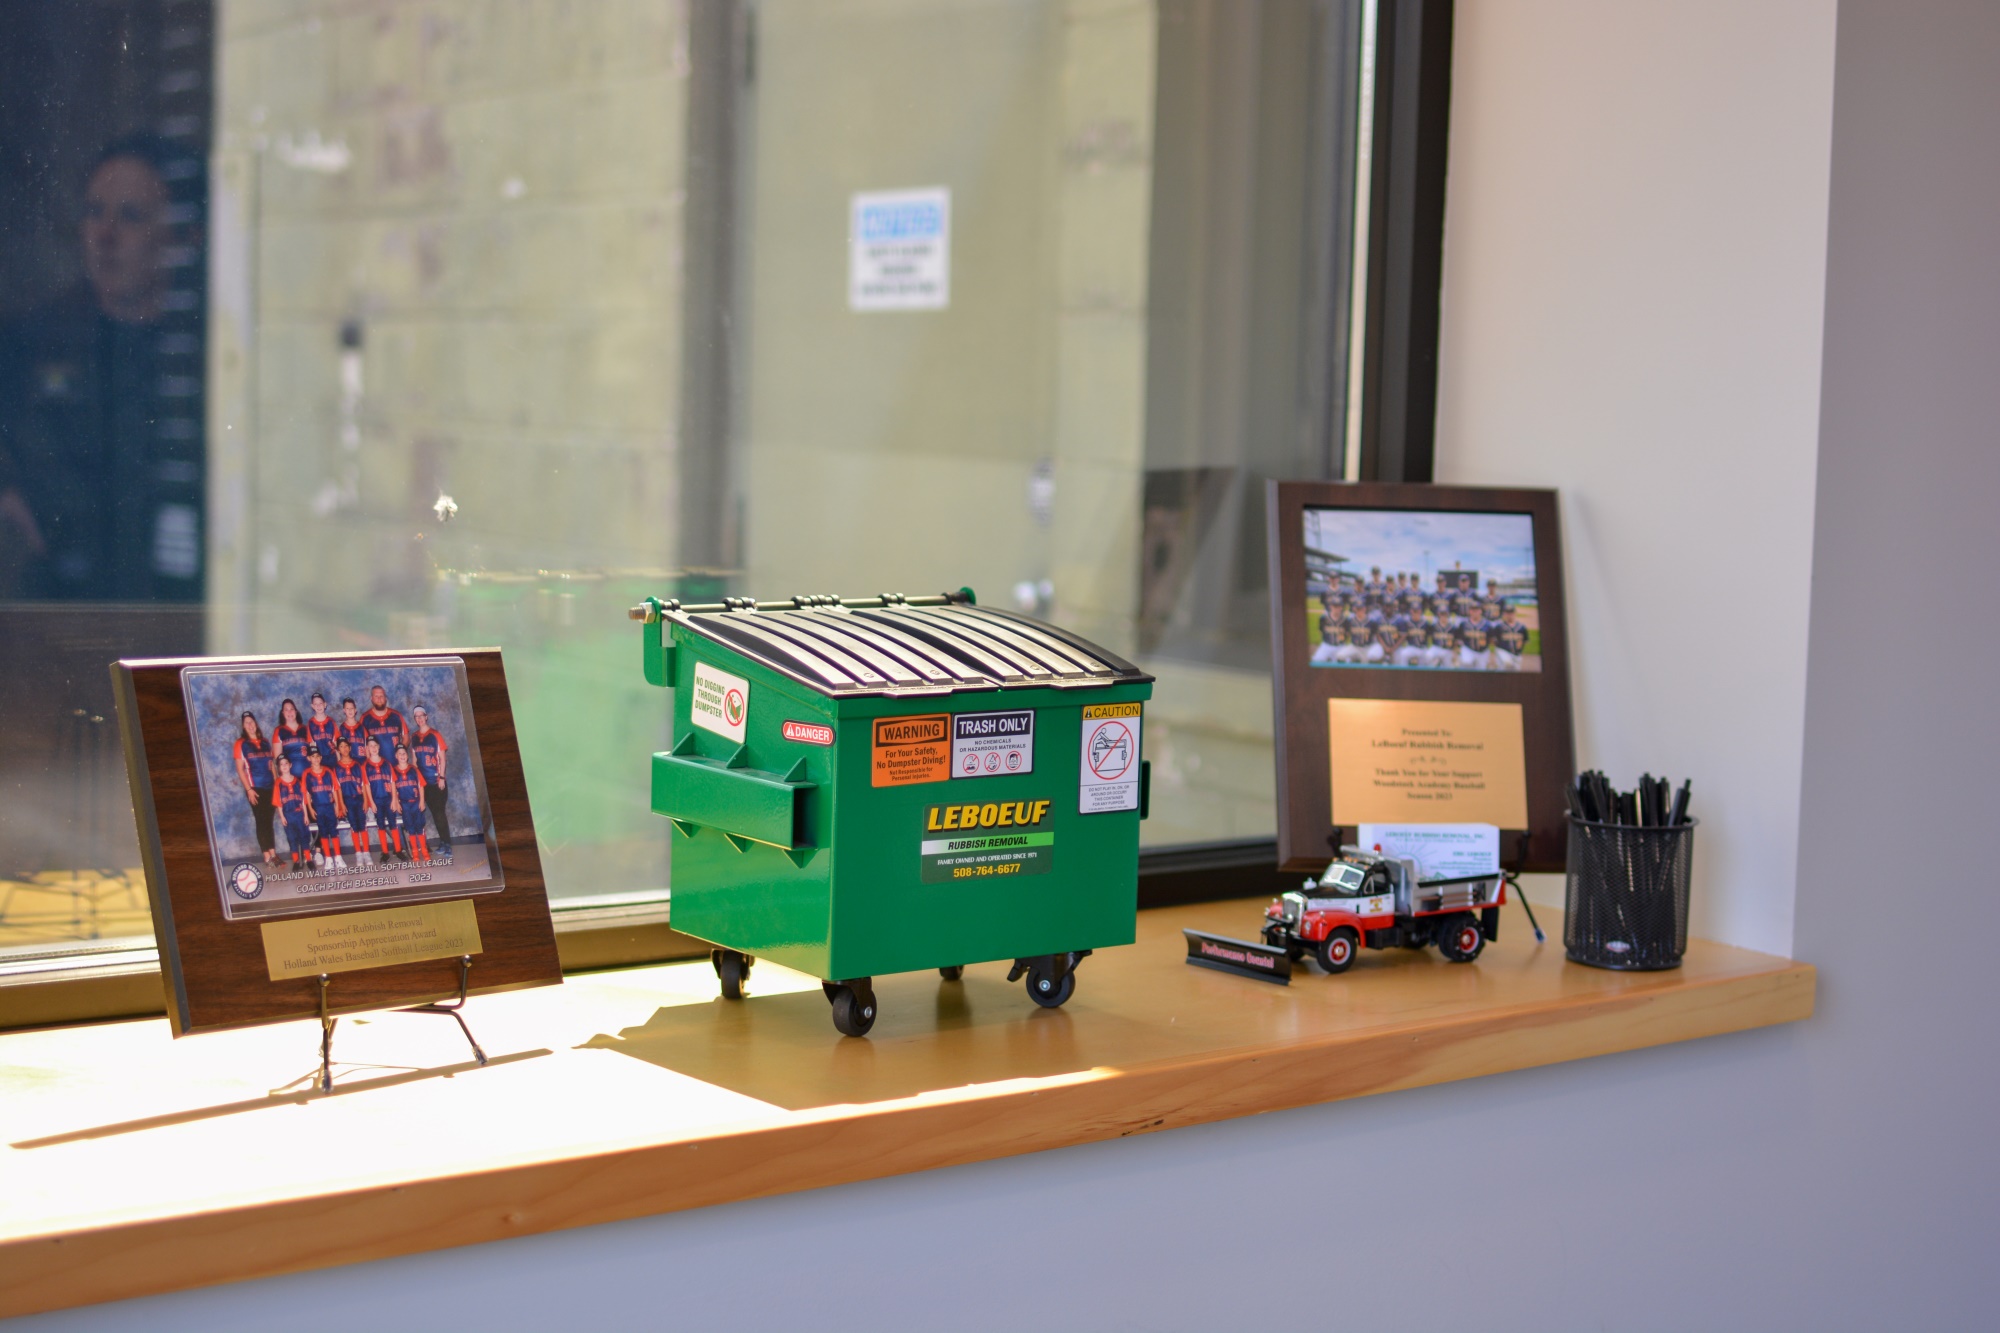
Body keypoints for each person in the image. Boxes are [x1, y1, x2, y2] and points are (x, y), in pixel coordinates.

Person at [0, 134, 203, 600]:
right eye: (94, 212)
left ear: (182, 236)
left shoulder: (200, 352)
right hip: (57, 609)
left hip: (173, 611)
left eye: (130, 216)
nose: (104, 235)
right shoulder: (34, 341)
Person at [231, 711, 278, 867]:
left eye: (252, 721)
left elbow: (272, 767)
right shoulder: (241, 744)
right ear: (243, 726)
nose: (250, 725)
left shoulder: (265, 742)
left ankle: (274, 854)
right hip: (255, 788)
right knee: (261, 820)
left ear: (256, 724)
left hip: (270, 787)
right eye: (246, 723)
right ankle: (266, 855)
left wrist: (277, 784)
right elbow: (240, 769)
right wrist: (249, 789)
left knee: (269, 821)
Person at [408, 705, 452, 852]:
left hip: (435, 781)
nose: (419, 719)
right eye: (417, 716)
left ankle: (447, 844)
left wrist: (441, 777)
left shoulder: (435, 734)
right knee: (428, 814)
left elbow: (442, 758)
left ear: (426, 716)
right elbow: (414, 762)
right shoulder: (414, 737)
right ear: (415, 719)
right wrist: (415, 782)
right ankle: (434, 843)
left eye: (422, 716)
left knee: (439, 814)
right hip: (422, 784)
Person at [300, 745, 348, 871]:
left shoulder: (328, 772)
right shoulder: (307, 774)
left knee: (334, 832)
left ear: (320, 758)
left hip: (329, 806)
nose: (315, 759)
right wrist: (310, 809)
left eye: (317, 756)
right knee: (323, 833)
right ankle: (328, 858)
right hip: (318, 807)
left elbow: (335, 789)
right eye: (312, 757)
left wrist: (337, 806)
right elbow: (306, 793)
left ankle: (338, 856)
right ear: (309, 758)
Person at [332, 737, 375, 864]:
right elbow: (338, 788)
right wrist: (341, 804)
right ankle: (358, 853)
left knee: (363, 825)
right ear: (338, 750)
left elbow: (364, 784)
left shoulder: (357, 765)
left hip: (359, 799)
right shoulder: (337, 768)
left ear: (350, 748)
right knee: (354, 827)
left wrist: (366, 801)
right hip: (347, 800)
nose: (344, 749)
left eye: (346, 746)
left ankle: (366, 853)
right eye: (341, 746)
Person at [361, 737, 403, 860]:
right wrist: (371, 802)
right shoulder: (366, 766)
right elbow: (367, 785)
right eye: (370, 746)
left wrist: (394, 800)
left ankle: (398, 850)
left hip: (388, 799)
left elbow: (393, 783)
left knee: (393, 824)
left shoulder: (387, 764)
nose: (373, 748)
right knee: (380, 825)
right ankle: (385, 852)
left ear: (379, 747)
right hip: (376, 800)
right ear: (367, 749)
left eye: (375, 745)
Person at [391, 743, 432, 864]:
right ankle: (414, 850)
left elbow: (421, 786)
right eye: (400, 754)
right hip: (404, 804)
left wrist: (422, 801)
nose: (402, 756)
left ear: (407, 756)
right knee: (410, 828)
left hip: (416, 802)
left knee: (420, 826)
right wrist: (397, 802)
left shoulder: (414, 769)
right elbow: (393, 790)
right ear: (396, 756)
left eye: (404, 753)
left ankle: (424, 849)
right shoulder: (394, 771)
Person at [273, 755, 313, 872]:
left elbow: (303, 800)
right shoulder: (278, 783)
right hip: (288, 815)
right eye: (281, 764)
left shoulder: (297, 781)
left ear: (290, 765)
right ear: (279, 768)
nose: (284, 766)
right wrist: (282, 817)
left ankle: (309, 859)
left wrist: (305, 815)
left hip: (299, 814)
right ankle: (296, 861)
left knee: (304, 837)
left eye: (286, 763)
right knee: (292, 838)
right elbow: (278, 802)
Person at [360, 685, 407, 766]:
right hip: (376, 766)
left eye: (381, 696)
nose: (379, 699)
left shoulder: (396, 716)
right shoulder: (365, 718)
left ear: (385, 698)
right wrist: (369, 762)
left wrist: (401, 753)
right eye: (376, 696)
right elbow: (363, 745)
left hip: (397, 765)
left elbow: (406, 737)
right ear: (371, 698)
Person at [272, 698, 311, 778]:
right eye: (286, 710)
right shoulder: (279, 731)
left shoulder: (305, 729)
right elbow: (278, 758)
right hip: (290, 778)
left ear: (296, 711)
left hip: (308, 776)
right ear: (282, 713)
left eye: (292, 709)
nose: (289, 712)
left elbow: (313, 752)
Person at [1492, 604, 1529, 670]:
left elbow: (1525, 641)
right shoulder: (1499, 627)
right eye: (1507, 613)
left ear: (1514, 613)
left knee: (1515, 671)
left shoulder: (1521, 627)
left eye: (1511, 612)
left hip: (1517, 654)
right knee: (1506, 664)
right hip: (1503, 651)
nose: (1509, 615)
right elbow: (1494, 641)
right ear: (1504, 614)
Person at [334, 697, 369, 765]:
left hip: (362, 761)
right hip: (348, 762)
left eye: (352, 708)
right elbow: (337, 748)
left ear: (355, 710)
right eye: (347, 708)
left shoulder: (361, 727)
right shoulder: (342, 728)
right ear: (344, 710)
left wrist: (368, 761)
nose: (350, 711)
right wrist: (339, 762)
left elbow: (367, 746)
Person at [1459, 603, 1493, 669]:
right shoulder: (1463, 624)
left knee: (1481, 671)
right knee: (1466, 663)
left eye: (1477, 610)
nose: (1475, 612)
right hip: (1468, 649)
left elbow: (1491, 639)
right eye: (1472, 610)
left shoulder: (1487, 624)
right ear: (1469, 611)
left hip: (1483, 652)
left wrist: (1491, 654)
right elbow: (1459, 638)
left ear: (1480, 611)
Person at [305, 692, 339, 757]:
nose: (318, 706)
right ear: (312, 706)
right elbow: (312, 744)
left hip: (331, 757)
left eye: (320, 703)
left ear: (325, 704)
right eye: (315, 704)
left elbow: (336, 743)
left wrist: (339, 760)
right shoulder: (310, 723)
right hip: (318, 758)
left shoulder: (331, 722)